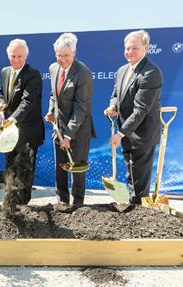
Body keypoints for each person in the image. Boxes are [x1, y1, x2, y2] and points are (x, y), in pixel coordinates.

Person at [104, 30, 162, 204]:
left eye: (135, 48)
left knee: (139, 180)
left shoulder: (151, 73)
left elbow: (141, 110)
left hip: (142, 135)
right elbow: (116, 94)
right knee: (131, 173)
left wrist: (121, 134)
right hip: (127, 132)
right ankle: (132, 209)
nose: (129, 52)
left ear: (146, 47)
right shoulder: (122, 70)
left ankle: (140, 214)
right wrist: (113, 105)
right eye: (127, 48)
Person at [45, 33, 95, 209]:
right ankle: (63, 200)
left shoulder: (84, 73)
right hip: (59, 127)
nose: (63, 59)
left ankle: (78, 204)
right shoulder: (53, 68)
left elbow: (81, 108)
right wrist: (51, 111)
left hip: (79, 129)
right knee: (61, 166)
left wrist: (69, 135)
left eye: (66, 55)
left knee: (77, 168)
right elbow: (53, 95)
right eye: (59, 55)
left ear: (74, 53)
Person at [0, 39, 44, 205]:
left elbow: (27, 102)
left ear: (26, 56)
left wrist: (12, 119)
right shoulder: (4, 72)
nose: (16, 60)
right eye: (13, 56)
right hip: (9, 132)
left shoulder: (33, 74)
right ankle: (9, 203)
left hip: (29, 131)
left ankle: (23, 207)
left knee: (24, 170)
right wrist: (1, 107)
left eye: (19, 56)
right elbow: (3, 94)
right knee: (10, 168)